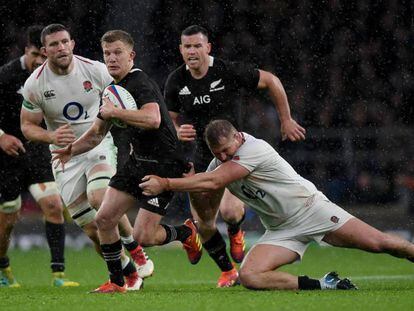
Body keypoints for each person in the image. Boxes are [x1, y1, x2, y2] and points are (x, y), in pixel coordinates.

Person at [139, 119, 414, 291]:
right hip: (281, 230)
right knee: (250, 276)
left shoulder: (254, 149)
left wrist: (166, 183)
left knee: (382, 244)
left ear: (238, 137)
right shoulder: (218, 164)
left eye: (226, 149)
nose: (223, 156)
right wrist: (192, 192)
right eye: (217, 153)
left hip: (312, 211)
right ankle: (325, 284)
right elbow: (206, 196)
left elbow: (213, 182)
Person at [52, 29, 202, 294]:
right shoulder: (111, 90)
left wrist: (114, 111)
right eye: (107, 53)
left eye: (118, 52)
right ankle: (117, 282)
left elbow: (153, 119)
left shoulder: (139, 81)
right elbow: (97, 133)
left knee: (145, 236)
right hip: (137, 161)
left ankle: (186, 233)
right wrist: (71, 150)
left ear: (131, 55)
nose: (111, 58)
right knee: (105, 219)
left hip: (164, 164)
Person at [164, 25, 306, 287]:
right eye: (187, 46)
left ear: (208, 47)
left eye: (197, 46)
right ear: (181, 50)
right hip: (200, 156)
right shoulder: (176, 80)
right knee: (203, 222)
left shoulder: (226, 71)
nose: (192, 51)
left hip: (234, 155)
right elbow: (167, 120)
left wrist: (286, 119)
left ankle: (235, 230)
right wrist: (176, 130)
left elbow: (271, 80)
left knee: (229, 211)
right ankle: (228, 271)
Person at [20, 24, 153, 291]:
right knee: (93, 229)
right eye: (54, 44)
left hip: (97, 143)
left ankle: (135, 249)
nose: (61, 48)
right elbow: (27, 126)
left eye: (65, 42)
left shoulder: (95, 70)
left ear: (73, 44)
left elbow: (124, 98)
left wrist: (131, 138)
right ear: (45, 50)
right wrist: (51, 137)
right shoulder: (35, 84)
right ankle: (128, 273)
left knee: (100, 197)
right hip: (65, 157)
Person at [0, 25, 79, 287]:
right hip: (6, 157)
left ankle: (59, 275)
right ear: (27, 51)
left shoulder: (48, 76)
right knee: (8, 219)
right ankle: (3, 269)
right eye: (36, 55)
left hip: (35, 151)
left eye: (44, 56)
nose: (40, 62)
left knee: (54, 206)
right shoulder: (7, 75)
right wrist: (2, 136)